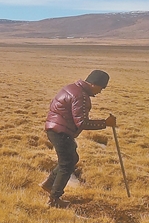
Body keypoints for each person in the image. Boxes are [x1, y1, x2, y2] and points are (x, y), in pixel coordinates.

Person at [41, 70, 116, 207]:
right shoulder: (80, 96)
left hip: (55, 129)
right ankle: (54, 199)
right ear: (94, 84)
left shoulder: (72, 88)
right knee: (67, 164)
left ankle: (49, 184)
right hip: (61, 132)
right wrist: (105, 123)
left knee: (71, 159)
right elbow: (82, 123)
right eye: (101, 87)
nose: (101, 91)